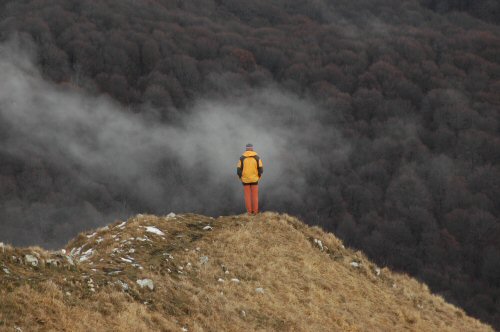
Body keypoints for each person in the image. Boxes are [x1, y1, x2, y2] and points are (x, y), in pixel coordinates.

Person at [236, 143, 263, 215]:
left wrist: (241, 178)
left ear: (246, 148)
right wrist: (258, 177)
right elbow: (261, 169)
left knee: (247, 197)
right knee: (255, 196)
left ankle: (249, 212)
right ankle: (255, 212)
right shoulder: (257, 157)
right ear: (252, 148)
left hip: (245, 180)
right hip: (255, 179)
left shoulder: (242, 158)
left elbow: (238, 170)